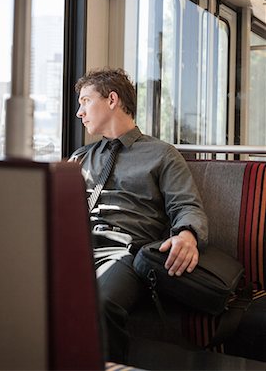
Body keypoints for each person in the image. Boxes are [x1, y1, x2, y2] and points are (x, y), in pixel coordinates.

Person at [69, 67, 208, 364]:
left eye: (84, 101)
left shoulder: (162, 155)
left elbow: (186, 206)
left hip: (125, 253)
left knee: (99, 303)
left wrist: (187, 235)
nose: (79, 112)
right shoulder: (80, 157)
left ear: (112, 100)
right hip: (76, 247)